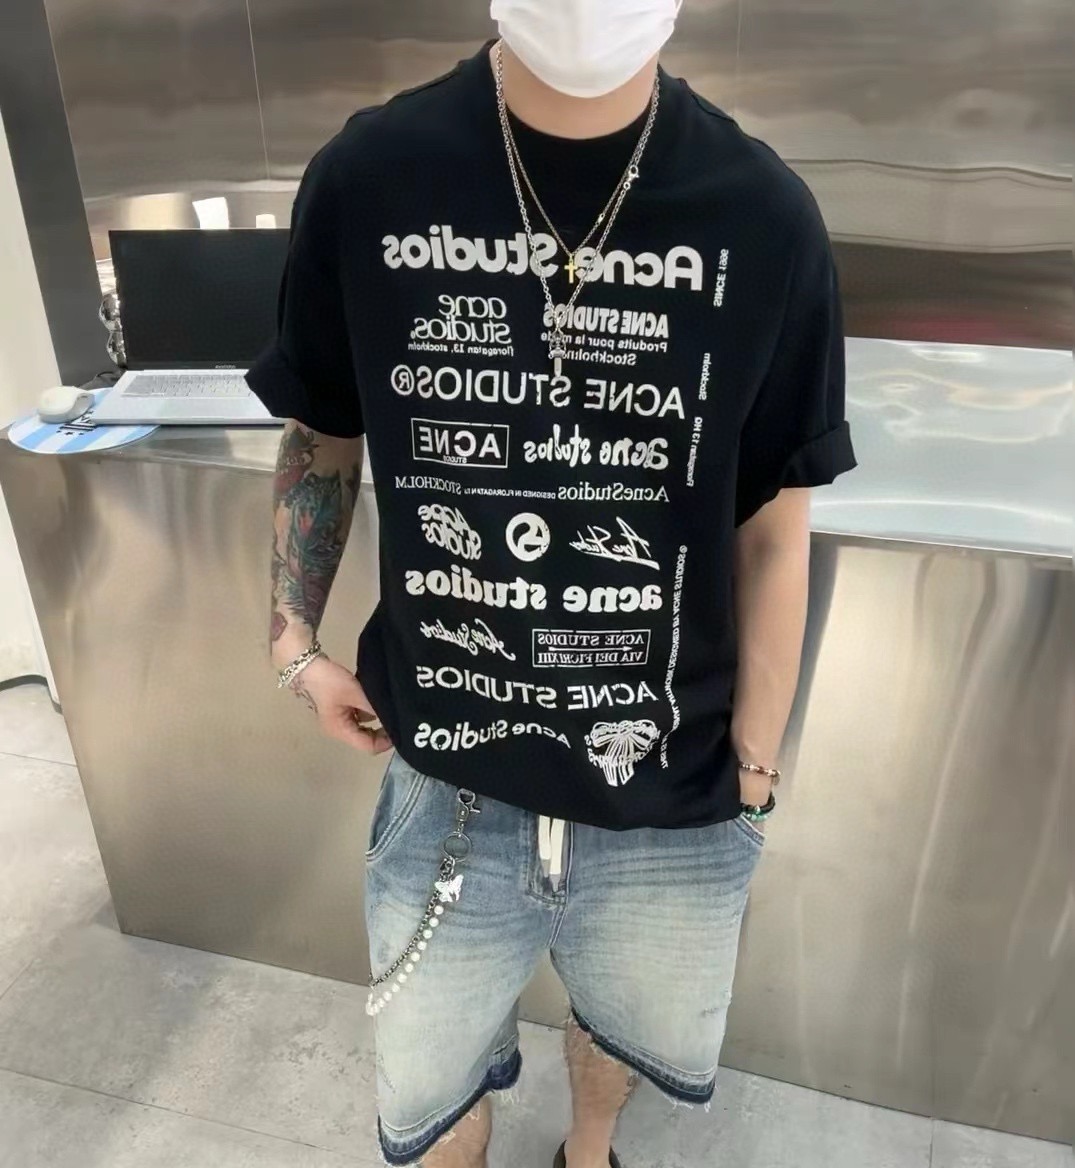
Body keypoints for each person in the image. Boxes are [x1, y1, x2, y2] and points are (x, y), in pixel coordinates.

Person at [248, 2, 856, 1164]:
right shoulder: (370, 178)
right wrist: (293, 642)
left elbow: (777, 524)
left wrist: (758, 770)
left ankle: (588, 1151)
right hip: (447, 773)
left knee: (622, 1035)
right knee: (430, 1083)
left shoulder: (762, 213)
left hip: (670, 781)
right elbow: (321, 430)